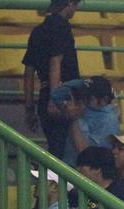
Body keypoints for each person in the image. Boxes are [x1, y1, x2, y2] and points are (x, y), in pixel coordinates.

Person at [23, 0, 82, 157]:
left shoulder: (37, 31)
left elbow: (29, 71)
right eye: (75, 5)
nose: (76, 10)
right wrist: (56, 97)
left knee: (55, 146)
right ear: (69, 4)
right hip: (63, 96)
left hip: (44, 94)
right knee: (65, 151)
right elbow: (55, 61)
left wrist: (29, 108)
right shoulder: (61, 26)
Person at [51, 76, 119, 167]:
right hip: (68, 163)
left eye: (89, 98)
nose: (84, 100)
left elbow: (88, 155)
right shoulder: (89, 106)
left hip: (85, 172)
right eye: (84, 96)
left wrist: (74, 119)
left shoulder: (109, 121)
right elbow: (56, 94)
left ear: (104, 100)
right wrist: (86, 83)